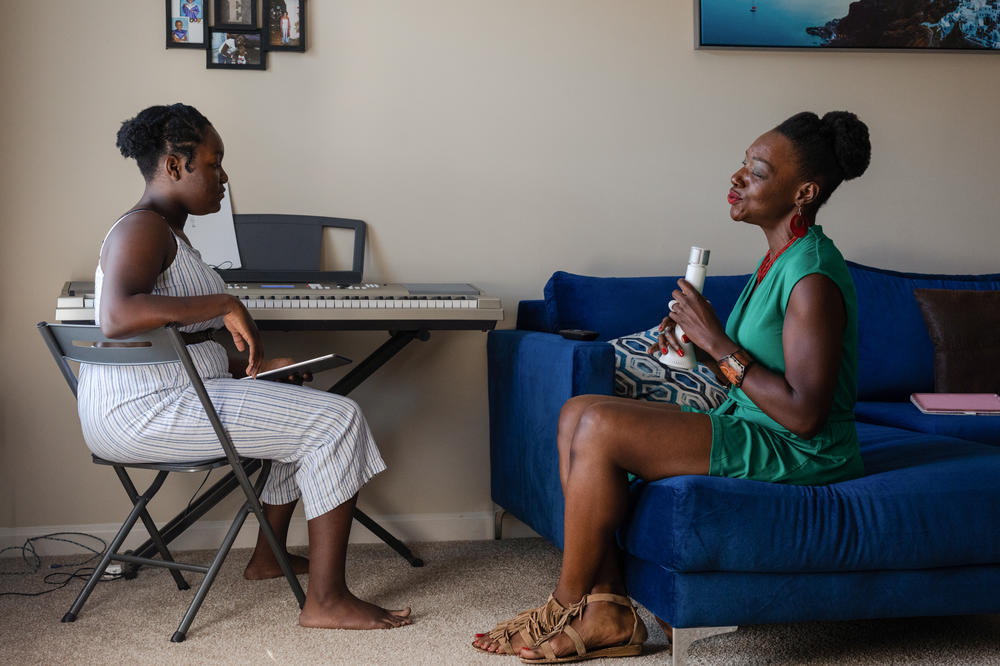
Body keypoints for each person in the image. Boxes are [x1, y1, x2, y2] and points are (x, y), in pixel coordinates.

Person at [472, 111, 871, 662]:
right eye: (742, 165)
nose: (736, 179)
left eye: (755, 172)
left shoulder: (813, 276)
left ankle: (563, 604)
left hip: (805, 450)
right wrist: (700, 352)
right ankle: (609, 608)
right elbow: (748, 380)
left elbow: (805, 414)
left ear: (804, 191)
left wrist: (717, 340)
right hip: (754, 424)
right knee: (579, 411)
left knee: (601, 426)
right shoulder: (777, 259)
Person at [77, 103, 412, 631]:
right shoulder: (142, 229)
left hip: (165, 399)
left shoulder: (169, 234)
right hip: (146, 413)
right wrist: (226, 303)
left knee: (300, 411)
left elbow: (173, 342)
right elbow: (118, 317)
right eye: (214, 164)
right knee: (336, 420)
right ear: (174, 165)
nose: (224, 177)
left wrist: (251, 366)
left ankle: (265, 559)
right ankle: (326, 601)